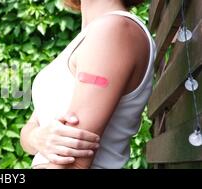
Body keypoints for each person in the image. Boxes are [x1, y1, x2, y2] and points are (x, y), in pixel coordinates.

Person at [20, 0, 155, 169]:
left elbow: (74, 163)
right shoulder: (91, 35)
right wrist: (35, 137)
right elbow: (30, 129)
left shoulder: (114, 30)